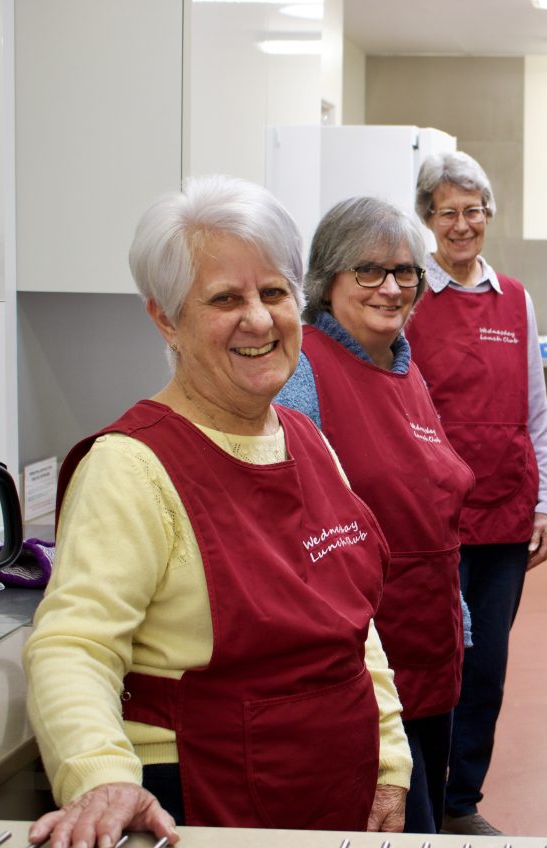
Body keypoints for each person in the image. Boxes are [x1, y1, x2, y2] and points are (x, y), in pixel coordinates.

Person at [23, 175, 412, 848]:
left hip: (337, 787)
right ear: (166, 318)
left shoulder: (307, 440)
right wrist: (100, 776)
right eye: (225, 299)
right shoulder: (131, 465)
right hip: (208, 800)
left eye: (273, 293)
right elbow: (73, 646)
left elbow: (356, 630)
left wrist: (390, 758)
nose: (258, 321)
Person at [275, 196, 475, 835]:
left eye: (406, 272)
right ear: (325, 280)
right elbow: (291, 524)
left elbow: (429, 504)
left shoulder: (405, 368)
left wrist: (457, 614)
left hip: (430, 647)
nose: (391, 288)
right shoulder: (302, 369)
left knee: (425, 818)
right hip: (361, 665)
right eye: (369, 271)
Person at [407, 151, 547, 836]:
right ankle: (421, 798)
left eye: (473, 211)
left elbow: (536, 410)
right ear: (427, 220)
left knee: (487, 666)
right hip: (432, 516)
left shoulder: (516, 298)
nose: (462, 225)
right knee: (436, 657)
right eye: (448, 213)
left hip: (505, 510)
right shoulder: (409, 295)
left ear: (488, 215)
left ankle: (461, 798)